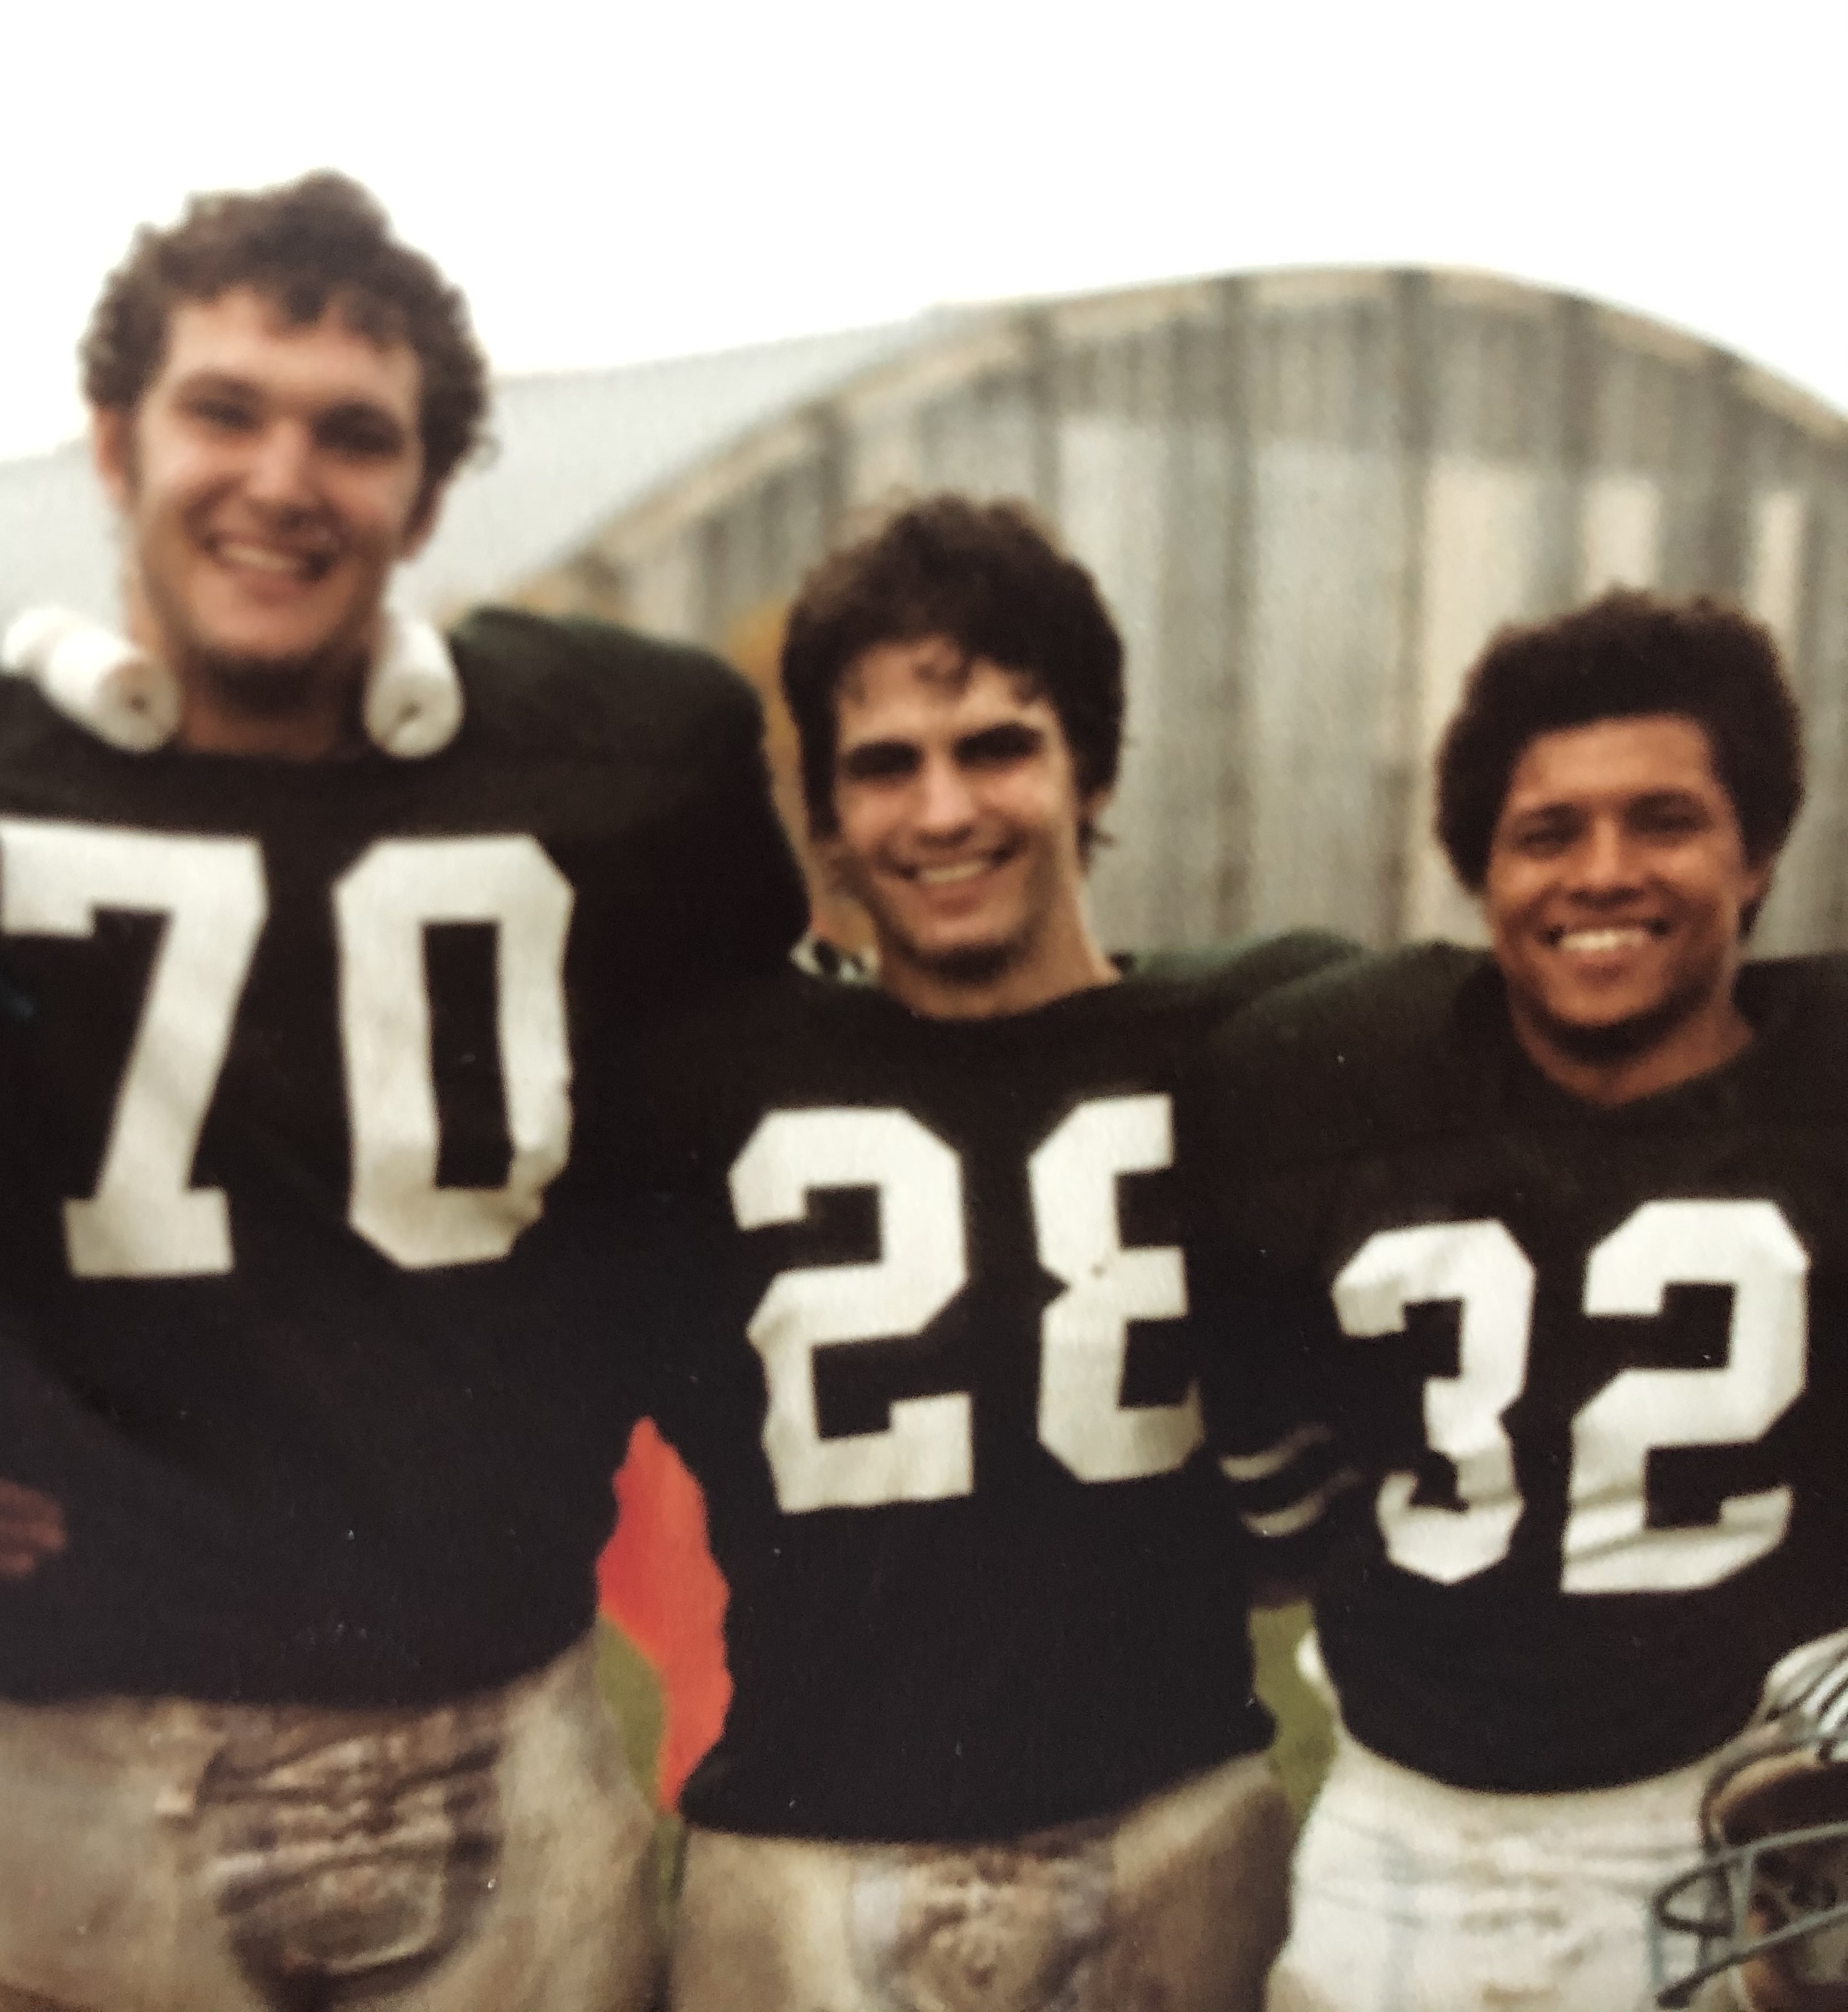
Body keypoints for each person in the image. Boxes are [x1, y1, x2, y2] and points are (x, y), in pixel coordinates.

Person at [0, 172, 807, 2011]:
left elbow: (727, 1111)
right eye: (223, 410)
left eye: (354, 435)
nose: (283, 479)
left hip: (507, 1760)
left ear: (429, 490)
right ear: (111, 441)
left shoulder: (622, 765)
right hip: (71, 1796)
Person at [621, 495, 1351, 2012]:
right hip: (804, 1865)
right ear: (823, 812)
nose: (942, 812)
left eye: (997, 747)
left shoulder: (1262, 1043)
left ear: (1090, 765)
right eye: (883, 766)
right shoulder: (704, 1080)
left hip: (1173, 1839)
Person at [1191, 591, 1848, 2011]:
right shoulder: (1334, 1087)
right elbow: (1276, 1485)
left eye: (1665, 820)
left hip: (1733, 1823)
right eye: (1548, 833)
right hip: (1407, 1832)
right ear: (1480, 870)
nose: (1602, 874)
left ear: (1760, 852)